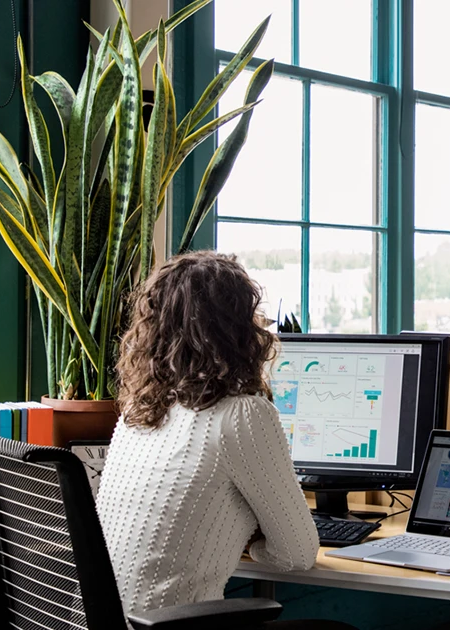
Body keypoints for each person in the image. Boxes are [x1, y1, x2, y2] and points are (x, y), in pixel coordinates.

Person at [96, 251, 319, 615]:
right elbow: (297, 555)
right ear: (242, 329)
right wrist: (252, 543)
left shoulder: (138, 410)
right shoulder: (242, 415)